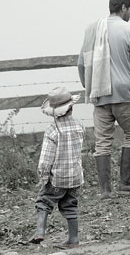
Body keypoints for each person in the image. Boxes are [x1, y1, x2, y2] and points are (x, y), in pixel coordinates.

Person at [78, 0, 130, 199]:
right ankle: (126, 183)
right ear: (123, 7)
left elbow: (81, 64)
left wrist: (90, 86)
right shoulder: (129, 30)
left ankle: (105, 191)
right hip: (123, 94)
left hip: (99, 93)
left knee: (102, 141)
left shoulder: (91, 30)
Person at [29, 87, 84, 249]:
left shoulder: (52, 130)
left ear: (53, 112)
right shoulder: (80, 126)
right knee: (70, 205)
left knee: (44, 202)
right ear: (71, 107)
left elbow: (46, 160)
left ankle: (40, 231)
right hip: (75, 177)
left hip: (57, 179)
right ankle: (73, 239)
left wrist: (43, 177)